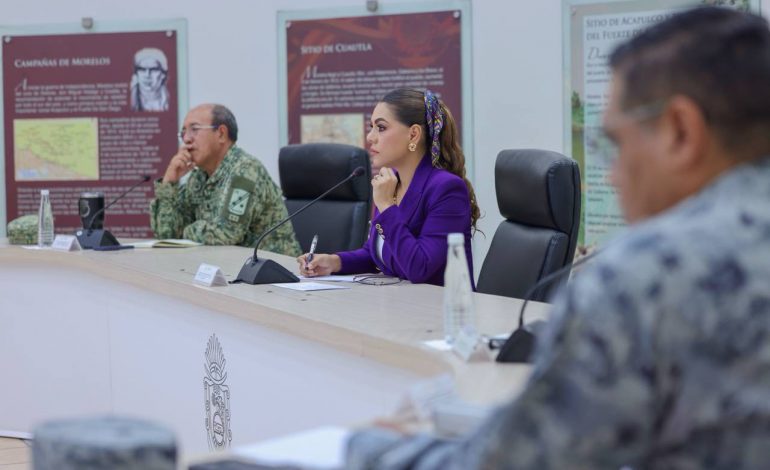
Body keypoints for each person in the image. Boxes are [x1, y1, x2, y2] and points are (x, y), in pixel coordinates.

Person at [344, 7, 770, 469]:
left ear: (681, 132)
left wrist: (367, 446)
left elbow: (516, 461)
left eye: (616, 144)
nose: (613, 173)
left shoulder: (648, 274)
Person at [297, 88, 480, 286]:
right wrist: (334, 262)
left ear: (413, 134)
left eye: (381, 128)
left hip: (438, 312)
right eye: (372, 127)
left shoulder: (446, 189)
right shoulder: (392, 181)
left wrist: (386, 207)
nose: (370, 137)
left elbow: (420, 268)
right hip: (398, 306)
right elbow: (377, 253)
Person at [149, 104, 301, 256]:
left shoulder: (245, 171)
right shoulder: (198, 176)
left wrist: (186, 230)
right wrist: (169, 181)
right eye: (183, 132)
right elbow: (167, 234)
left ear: (221, 133)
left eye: (194, 129)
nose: (186, 139)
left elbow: (227, 233)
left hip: (274, 271)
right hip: (228, 267)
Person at [130, 47, 170, 112]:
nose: (147, 75)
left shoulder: (169, 101)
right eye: (142, 69)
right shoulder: (132, 101)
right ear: (136, 74)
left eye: (153, 69)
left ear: (163, 74)